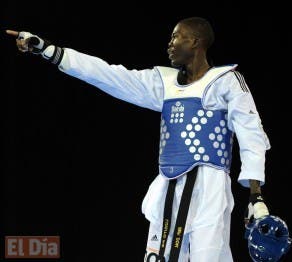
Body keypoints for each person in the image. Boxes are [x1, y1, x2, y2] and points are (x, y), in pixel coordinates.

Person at [6, 17, 271, 261]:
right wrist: (50, 51)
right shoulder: (163, 84)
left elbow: (251, 133)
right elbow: (108, 74)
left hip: (210, 189)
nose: (170, 43)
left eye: (176, 37)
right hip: (168, 186)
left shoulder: (226, 81)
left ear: (196, 41)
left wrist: (255, 197)